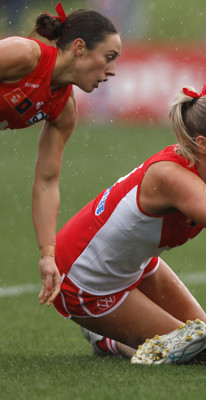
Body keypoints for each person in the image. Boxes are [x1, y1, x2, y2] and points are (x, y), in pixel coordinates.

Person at [53, 86, 206, 364]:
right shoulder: (172, 177)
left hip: (136, 263)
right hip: (85, 279)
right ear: (202, 144)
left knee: (202, 339)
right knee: (195, 350)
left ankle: (116, 338)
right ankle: (106, 340)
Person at [0, 2, 121, 307]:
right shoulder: (24, 55)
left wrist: (47, 254)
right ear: (79, 48)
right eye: (108, 58)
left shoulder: (63, 110)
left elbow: (46, 182)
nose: (112, 71)